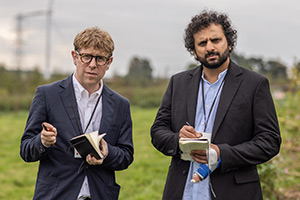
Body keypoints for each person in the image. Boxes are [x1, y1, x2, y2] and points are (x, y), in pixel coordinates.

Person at [150, 10, 281, 200]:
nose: (209, 47)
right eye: (202, 43)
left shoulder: (255, 84)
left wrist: (222, 154)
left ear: (229, 43)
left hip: (235, 193)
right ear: (194, 52)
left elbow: (270, 141)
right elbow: (157, 131)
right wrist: (178, 139)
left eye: (216, 40)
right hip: (182, 193)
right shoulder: (178, 83)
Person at [20, 27, 134, 200]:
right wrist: (42, 141)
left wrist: (106, 153)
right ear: (75, 57)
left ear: (109, 62)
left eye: (100, 59)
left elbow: (126, 155)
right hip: (56, 195)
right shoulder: (47, 95)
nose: (93, 64)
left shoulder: (121, 104)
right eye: (86, 56)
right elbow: (26, 149)